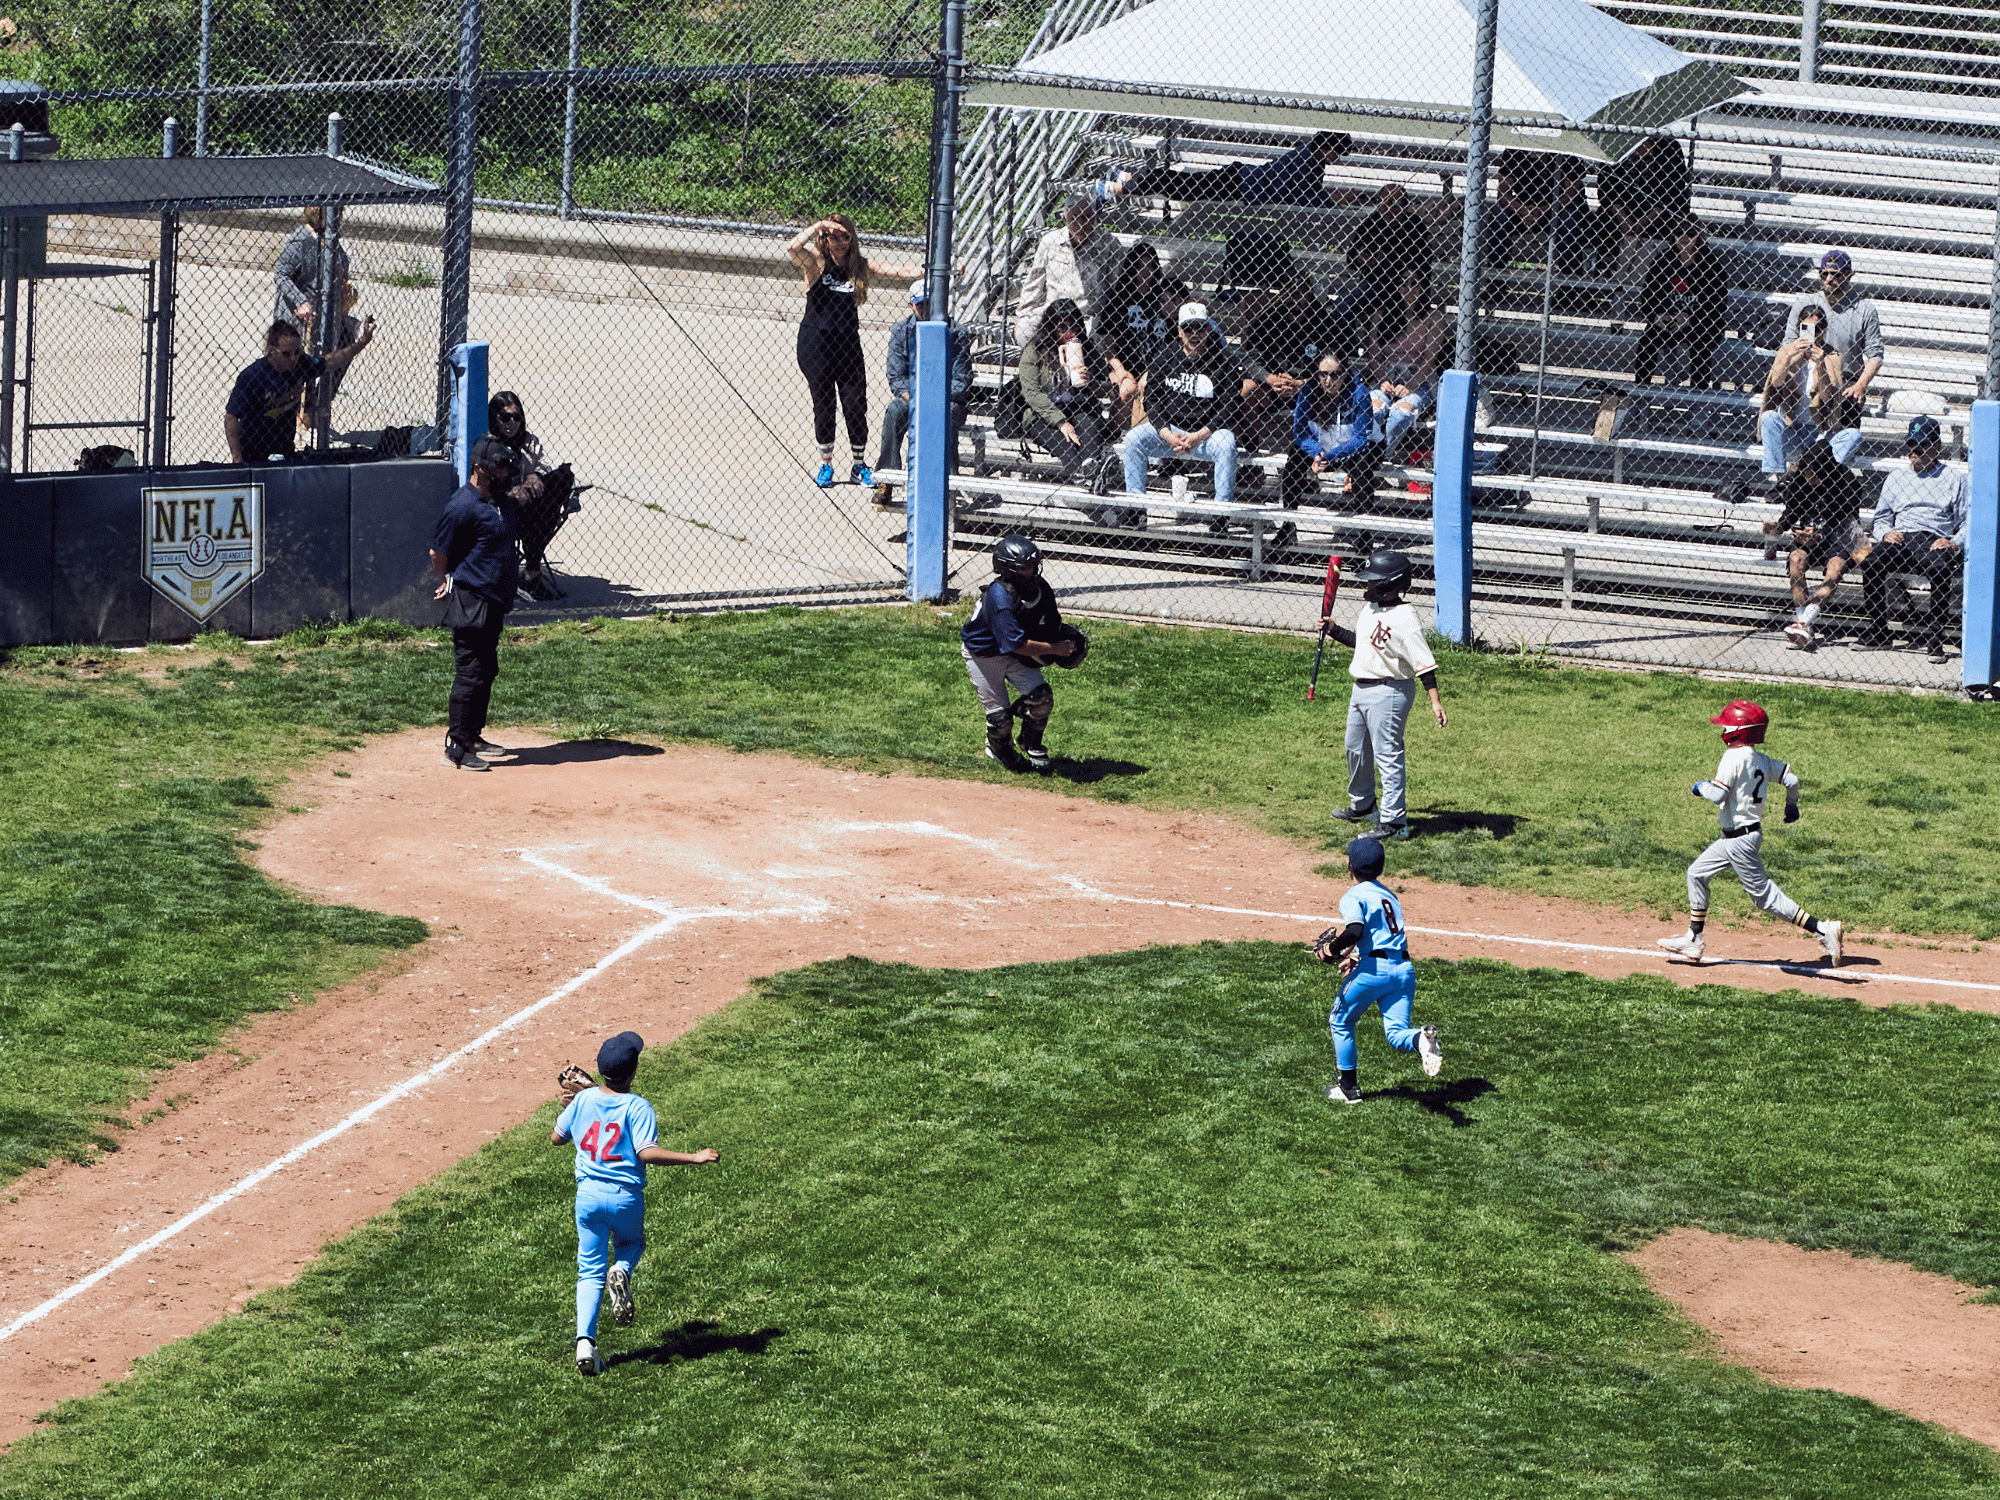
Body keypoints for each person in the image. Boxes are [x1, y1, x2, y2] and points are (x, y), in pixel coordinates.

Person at [552, 1030, 720, 1377]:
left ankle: (585, 1342)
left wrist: (572, 1107)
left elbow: (557, 1138)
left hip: (587, 1198)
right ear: (632, 1072)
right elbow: (647, 1152)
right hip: (625, 1198)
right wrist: (694, 1157)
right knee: (631, 1244)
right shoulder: (637, 1106)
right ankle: (623, 1270)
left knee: (589, 1271)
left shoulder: (583, 1101)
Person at [1657, 701, 1844, 967]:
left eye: (1726, 725)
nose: (1722, 729)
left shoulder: (1733, 757)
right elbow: (1791, 780)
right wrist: (1791, 806)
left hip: (1740, 841)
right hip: (1737, 837)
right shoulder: (1760, 759)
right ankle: (1693, 939)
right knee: (1696, 873)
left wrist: (1699, 786)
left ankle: (1823, 930)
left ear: (1737, 730)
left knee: (1765, 898)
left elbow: (1718, 794)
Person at [786, 214, 919, 489]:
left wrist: (935, 270)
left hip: (847, 346)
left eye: (845, 237)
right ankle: (826, 465)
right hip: (816, 345)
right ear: (825, 238)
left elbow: (898, 271)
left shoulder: (859, 267)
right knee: (824, 404)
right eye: (833, 237)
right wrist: (817, 227)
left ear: (852, 239)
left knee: (856, 404)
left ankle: (859, 465)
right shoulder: (817, 263)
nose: (839, 243)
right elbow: (792, 249)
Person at [1312, 836, 1444, 1106]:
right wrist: (1357, 955)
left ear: (1349, 866)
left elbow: (1356, 930)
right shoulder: (1390, 896)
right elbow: (1379, 934)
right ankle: (1421, 1038)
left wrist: (1331, 950)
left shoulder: (1353, 896)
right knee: (1396, 1033)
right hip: (1403, 970)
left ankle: (1349, 1089)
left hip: (1375, 971)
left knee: (1340, 1020)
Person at [1326, 549, 1447, 842]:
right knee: (1354, 748)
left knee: (1387, 755)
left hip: (1390, 691)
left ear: (1391, 582)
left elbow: (1423, 662)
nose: (1367, 586)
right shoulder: (1371, 609)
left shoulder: (1406, 618)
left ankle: (1394, 823)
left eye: (1372, 581)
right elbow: (1365, 645)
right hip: (1361, 687)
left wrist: (1435, 700)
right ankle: (1364, 805)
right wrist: (1334, 631)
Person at [429, 435, 522, 771]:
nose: (506, 473)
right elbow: (438, 552)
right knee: (470, 673)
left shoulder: (499, 501)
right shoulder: (461, 505)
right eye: (500, 467)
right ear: (479, 468)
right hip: (471, 599)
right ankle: (457, 745)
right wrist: (445, 580)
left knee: (487, 669)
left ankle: (474, 735)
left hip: (494, 599)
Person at [959, 535, 1079, 771]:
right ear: (1006, 569)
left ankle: (1029, 741)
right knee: (1001, 720)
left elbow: (1049, 623)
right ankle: (997, 749)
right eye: (1024, 567)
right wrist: (1055, 649)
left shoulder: (1041, 588)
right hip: (983, 655)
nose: (1032, 571)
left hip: (1012, 650)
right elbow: (1018, 645)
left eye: (1034, 565)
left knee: (1041, 699)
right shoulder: (1000, 598)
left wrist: (1067, 641)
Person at [1119, 303, 1246, 524]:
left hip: (1207, 433)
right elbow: (1152, 398)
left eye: (1200, 328)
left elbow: (1230, 405)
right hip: (1171, 431)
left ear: (1208, 330)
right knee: (1133, 439)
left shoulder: (1224, 359)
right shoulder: (1166, 356)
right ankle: (1136, 509)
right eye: (1188, 329)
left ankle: (1221, 515)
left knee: (1227, 444)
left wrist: (1201, 434)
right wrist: (1166, 433)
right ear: (1179, 331)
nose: (1194, 334)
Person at [1859, 414, 1968, 662]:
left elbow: (1965, 522)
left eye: (1922, 445)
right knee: (1871, 562)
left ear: (1937, 447)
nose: (1914, 451)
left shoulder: (1954, 479)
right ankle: (1879, 632)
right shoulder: (1896, 478)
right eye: (1911, 445)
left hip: (1934, 538)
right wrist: (1886, 532)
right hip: (1902, 538)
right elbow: (1881, 518)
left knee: (1940, 569)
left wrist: (1953, 542)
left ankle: (1935, 639)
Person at [1759, 438, 1868, 652]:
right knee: (1796, 559)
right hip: (1808, 537)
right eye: (1807, 473)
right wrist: (1778, 527)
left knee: (1835, 569)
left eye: (1815, 474)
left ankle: (1802, 624)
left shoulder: (1845, 481)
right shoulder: (1800, 479)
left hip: (1839, 536)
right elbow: (1793, 511)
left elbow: (1846, 519)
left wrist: (1820, 535)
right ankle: (1803, 624)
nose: (1811, 478)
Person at [224, 317, 375, 463]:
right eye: (286, 354)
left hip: (284, 449)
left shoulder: (301, 365)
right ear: (271, 350)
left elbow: (330, 362)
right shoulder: (253, 377)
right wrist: (237, 459)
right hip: (254, 451)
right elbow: (231, 417)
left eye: (297, 352)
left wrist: (361, 343)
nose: (293, 358)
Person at [874, 283, 973, 504]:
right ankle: (887, 479)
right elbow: (896, 376)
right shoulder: (901, 331)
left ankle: (949, 483)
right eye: (921, 305)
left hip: (947, 399)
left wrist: (934, 398)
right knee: (894, 411)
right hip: (914, 397)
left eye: (930, 303)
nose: (926, 309)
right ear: (911, 305)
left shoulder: (956, 332)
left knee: (945, 415)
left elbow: (961, 379)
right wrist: (916, 397)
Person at [1099, 130, 1357, 210]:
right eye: (1337, 151)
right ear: (1327, 147)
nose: (1337, 158)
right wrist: (1333, 200)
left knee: (1183, 185)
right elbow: (1302, 196)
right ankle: (1116, 188)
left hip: (1240, 180)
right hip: (1239, 183)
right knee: (1183, 187)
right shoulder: (1306, 160)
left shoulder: (1311, 161)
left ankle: (1126, 177)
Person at [272, 206, 360, 436]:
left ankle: (317, 408)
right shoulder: (300, 241)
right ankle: (297, 418)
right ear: (319, 215)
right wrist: (300, 301)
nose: (338, 219)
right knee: (299, 365)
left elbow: (341, 266)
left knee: (346, 341)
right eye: (333, 214)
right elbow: (280, 272)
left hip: (326, 316)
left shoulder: (331, 239)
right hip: (297, 319)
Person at [1782, 249, 1884, 436]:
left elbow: (1875, 355)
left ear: (1849, 275)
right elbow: (1788, 344)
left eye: (1835, 274)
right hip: (1807, 373)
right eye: (1824, 274)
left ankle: (1832, 459)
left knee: (1847, 411)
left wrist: (1860, 385)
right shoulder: (1805, 304)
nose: (1829, 279)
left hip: (1845, 380)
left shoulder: (1864, 310)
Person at [487, 391, 576, 601]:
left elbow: (544, 465)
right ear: (494, 418)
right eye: (505, 417)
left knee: (564, 475)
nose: (512, 423)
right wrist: (510, 490)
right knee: (543, 513)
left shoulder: (529, 442)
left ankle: (531, 575)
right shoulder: (488, 445)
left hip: (535, 509)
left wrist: (535, 475)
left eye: (516, 417)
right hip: (505, 509)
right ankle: (532, 575)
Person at [1239, 271, 1340, 448]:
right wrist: (1270, 379)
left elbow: (1334, 366)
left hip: (1312, 388)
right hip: (1273, 386)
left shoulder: (1325, 324)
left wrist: (1301, 383)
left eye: (1300, 294)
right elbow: (1250, 358)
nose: (1294, 300)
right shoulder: (1268, 319)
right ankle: (1250, 456)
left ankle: (1320, 455)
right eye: (1289, 294)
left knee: (1330, 387)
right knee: (1248, 388)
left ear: (1309, 295)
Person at [1017, 298, 1112, 486]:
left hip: (1078, 406)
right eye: (1063, 327)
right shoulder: (1034, 350)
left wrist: (1090, 380)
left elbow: (1106, 386)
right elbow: (1032, 394)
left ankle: (1090, 472)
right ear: (1051, 327)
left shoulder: (1086, 347)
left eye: (1074, 327)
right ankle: (1089, 482)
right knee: (1066, 445)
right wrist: (1061, 422)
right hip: (1043, 413)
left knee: (1089, 428)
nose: (1069, 333)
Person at [1333, 184, 1434, 355]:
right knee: (1343, 305)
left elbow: (1419, 263)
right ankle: (1348, 356)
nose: (1389, 208)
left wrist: (1385, 259)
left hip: (1403, 287)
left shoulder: (1415, 225)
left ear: (1405, 206)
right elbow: (1352, 258)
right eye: (1384, 202)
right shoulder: (1372, 222)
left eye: (1395, 203)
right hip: (1375, 286)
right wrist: (1364, 258)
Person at [1758, 302, 1850, 485]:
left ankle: (1822, 477)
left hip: (1818, 434)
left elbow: (1827, 396)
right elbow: (1775, 383)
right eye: (1805, 329)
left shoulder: (1833, 357)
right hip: (1792, 429)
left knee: (1853, 436)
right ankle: (1781, 479)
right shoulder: (1787, 351)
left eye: (1816, 330)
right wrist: (1789, 355)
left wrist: (1821, 365)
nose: (1810, 335)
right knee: (1769, 417)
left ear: (1823, 331)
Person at [1632, 219, 1727, 394]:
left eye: (1690, 233)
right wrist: (1656, 316)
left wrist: (1691, 317)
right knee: (1647, 341)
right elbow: (1647, 296)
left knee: (1702, 344)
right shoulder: (1663, 259)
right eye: (1678, 232)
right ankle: (1640, 393)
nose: (1684, 237)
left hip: (1700, 322)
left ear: (1698, 236)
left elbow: (1717, 305)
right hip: (1668, 320)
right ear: (1672, 235)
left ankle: (1698, 400)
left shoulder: (1710, 263)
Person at [1014, 192, 1122, 343]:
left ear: (1094, 218)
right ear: (1065, 218)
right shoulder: (1050, 242)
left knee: (1095, 338)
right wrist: (1023, 317)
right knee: (1024, 332)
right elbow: (1034, 283)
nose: (1080, 223)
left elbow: (1116, 288)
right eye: (1074, 217)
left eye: (1086, 217)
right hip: (1054, 314)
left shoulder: (1109, 245)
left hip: (1088, 317)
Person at [1282, 350, 1381, 513]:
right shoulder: (1308, 391)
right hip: (1323, 450)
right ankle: (1288, 524)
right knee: (1295, 456)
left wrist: (1330, 456)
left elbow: (1361, 439)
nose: (1328, 381)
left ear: (1345, 374)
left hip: (1354, 449)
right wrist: (1317, 453)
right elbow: (1300, 434)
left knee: (1362, 462)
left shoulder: (1359, 393)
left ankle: (1365, 529)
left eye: (1335, 375)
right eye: (1323, 375)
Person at [1368, 269, 1449, 462]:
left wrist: (1411, 386)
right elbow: (1373, 355)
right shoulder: (1381, 316)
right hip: (1386, 375)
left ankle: (1376, 459)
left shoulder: (1433, 317)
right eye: (1404, 282)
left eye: (1415, 283)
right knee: (1373, 409)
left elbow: (1430, 359)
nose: (1410, 288)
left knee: (1401, 413)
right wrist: (1382, 380)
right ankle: (1364, 457)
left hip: (1419, 378)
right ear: (1395, 286)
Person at [1597, 136, 1691, 279]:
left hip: (1658, 212)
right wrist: (1624, 220)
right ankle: (1605, 274)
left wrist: (1645, 220)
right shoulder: (1615, 141)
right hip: (1621, 210)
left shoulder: (1669, 148)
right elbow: (1606, 188)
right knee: (1603, 222)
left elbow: (1674, 190)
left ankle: (1651, 276)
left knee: (1666, 225)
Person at [1101, 241, 1166, 418]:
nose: (1145, 272)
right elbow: (1108, 344)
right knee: (1127, 390)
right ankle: (1114, 434)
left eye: (1150, 266)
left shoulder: (1161, 297)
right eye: (1139, 266)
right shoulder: (1119, 298)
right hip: (1124, 364)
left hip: (1158, 366)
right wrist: (1120, 371)